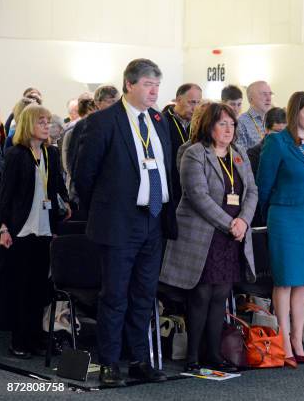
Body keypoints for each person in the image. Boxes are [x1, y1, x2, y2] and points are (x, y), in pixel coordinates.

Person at [75, 58, 177, 387]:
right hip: (118, 221)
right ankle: (109, 363)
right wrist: (104, 210)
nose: (154, 91)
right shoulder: (104, 122)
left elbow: (165, 167)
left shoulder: (159, 120)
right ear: (129, 84)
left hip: (153, 220)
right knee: (115, 295)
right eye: (148, 85)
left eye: (157, 86)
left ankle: (139, 360)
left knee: (145, 295)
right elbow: (84, 176)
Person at [160, 103, 257, 373]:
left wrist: (244, 222)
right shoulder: (194, 153)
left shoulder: (239, 155)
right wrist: (230, 223)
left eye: (232, 124)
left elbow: (252, 192)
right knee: (201, 295)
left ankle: (213, 354)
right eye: (222, 124)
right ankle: (193, 356)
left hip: (232, 236)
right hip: (204, 235)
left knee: (221, 295)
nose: (228, 129)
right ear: (209, 126)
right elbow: (197, 196)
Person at [257, 91, 304, 367]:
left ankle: (299, 340)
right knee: (285, 280)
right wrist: (268, 214)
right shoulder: (277, 142)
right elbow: (263, 184)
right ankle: (283, 341)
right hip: (284, 214)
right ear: (295, 112)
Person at [0, 104, 70, 358]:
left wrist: (64, 205)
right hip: (20, 230)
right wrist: (3, 227)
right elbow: (5, 194)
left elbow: (57, 187)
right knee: (21, 288)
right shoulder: (17, 154)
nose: (46, 126)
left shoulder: (50, 152)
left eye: (48, 121)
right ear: (29, 124)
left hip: (44, 229)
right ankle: (19, 340)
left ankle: (36, 337)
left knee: (40, 289)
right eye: (41, 121)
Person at [163, 83, 203, 202]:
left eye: (198, 103)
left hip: (193, 183)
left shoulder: (199, 124)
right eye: (191, 102)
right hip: (171, 183)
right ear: (178, 100)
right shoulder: (162, 121)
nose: (195, 108)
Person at [247, 106, 286, 179]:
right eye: (277, 132)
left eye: (285, 132)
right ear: (266, 129)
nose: (281, 137)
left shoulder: (292, 150)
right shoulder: (253, 153)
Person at [236, 81, 273, 149]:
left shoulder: (274, 119)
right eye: (264, 94)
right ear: (251, 99)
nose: (269, 99)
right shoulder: (241, 122)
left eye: (270, 94)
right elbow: (241, 155)